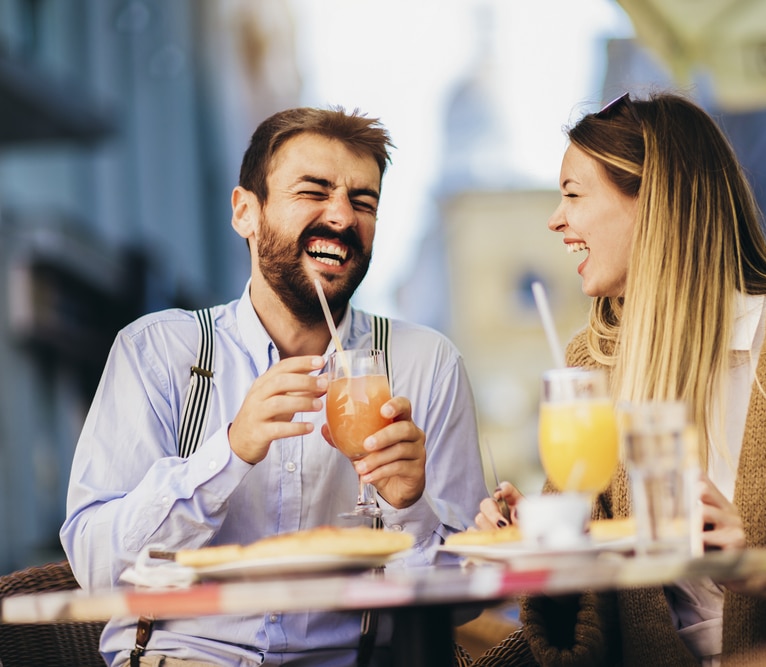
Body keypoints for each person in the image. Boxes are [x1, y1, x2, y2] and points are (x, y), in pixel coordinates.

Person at [470, 92, 766, 666]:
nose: (555, 219)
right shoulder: (589, 363)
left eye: (572, 194)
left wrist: (761, 566)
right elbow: (575, 634)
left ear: (654, 199)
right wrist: (531, 535)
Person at [60, 106, 487, 666]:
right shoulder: (158, 352)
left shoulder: (425, 363)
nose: (341, 216)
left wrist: (409, 506)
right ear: (246, 213)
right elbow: (96, 571)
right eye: (314, 191)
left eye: (363, 202)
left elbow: (464, 602)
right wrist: (229, 451)